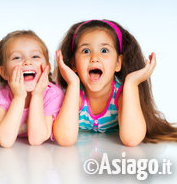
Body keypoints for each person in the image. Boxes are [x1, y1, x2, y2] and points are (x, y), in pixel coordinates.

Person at [53, 19, 177, 147]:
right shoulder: (74, 94)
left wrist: (131, 84)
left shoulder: (122, 94)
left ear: (118, 62)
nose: (94, 58)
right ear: (73, 63)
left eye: (104, 50)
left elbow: (131, 139)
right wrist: (73, 84)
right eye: (86, 51)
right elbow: (65, 139)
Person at [0, 30, 64, 148]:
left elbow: (36, 139)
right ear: (4, 72)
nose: (27, 62)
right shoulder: (4, 94)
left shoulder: (54, 95)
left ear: (48, 68)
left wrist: (37, 95)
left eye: (35, 56)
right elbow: (5, 141)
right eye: (17, 57)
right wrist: (19, 97)